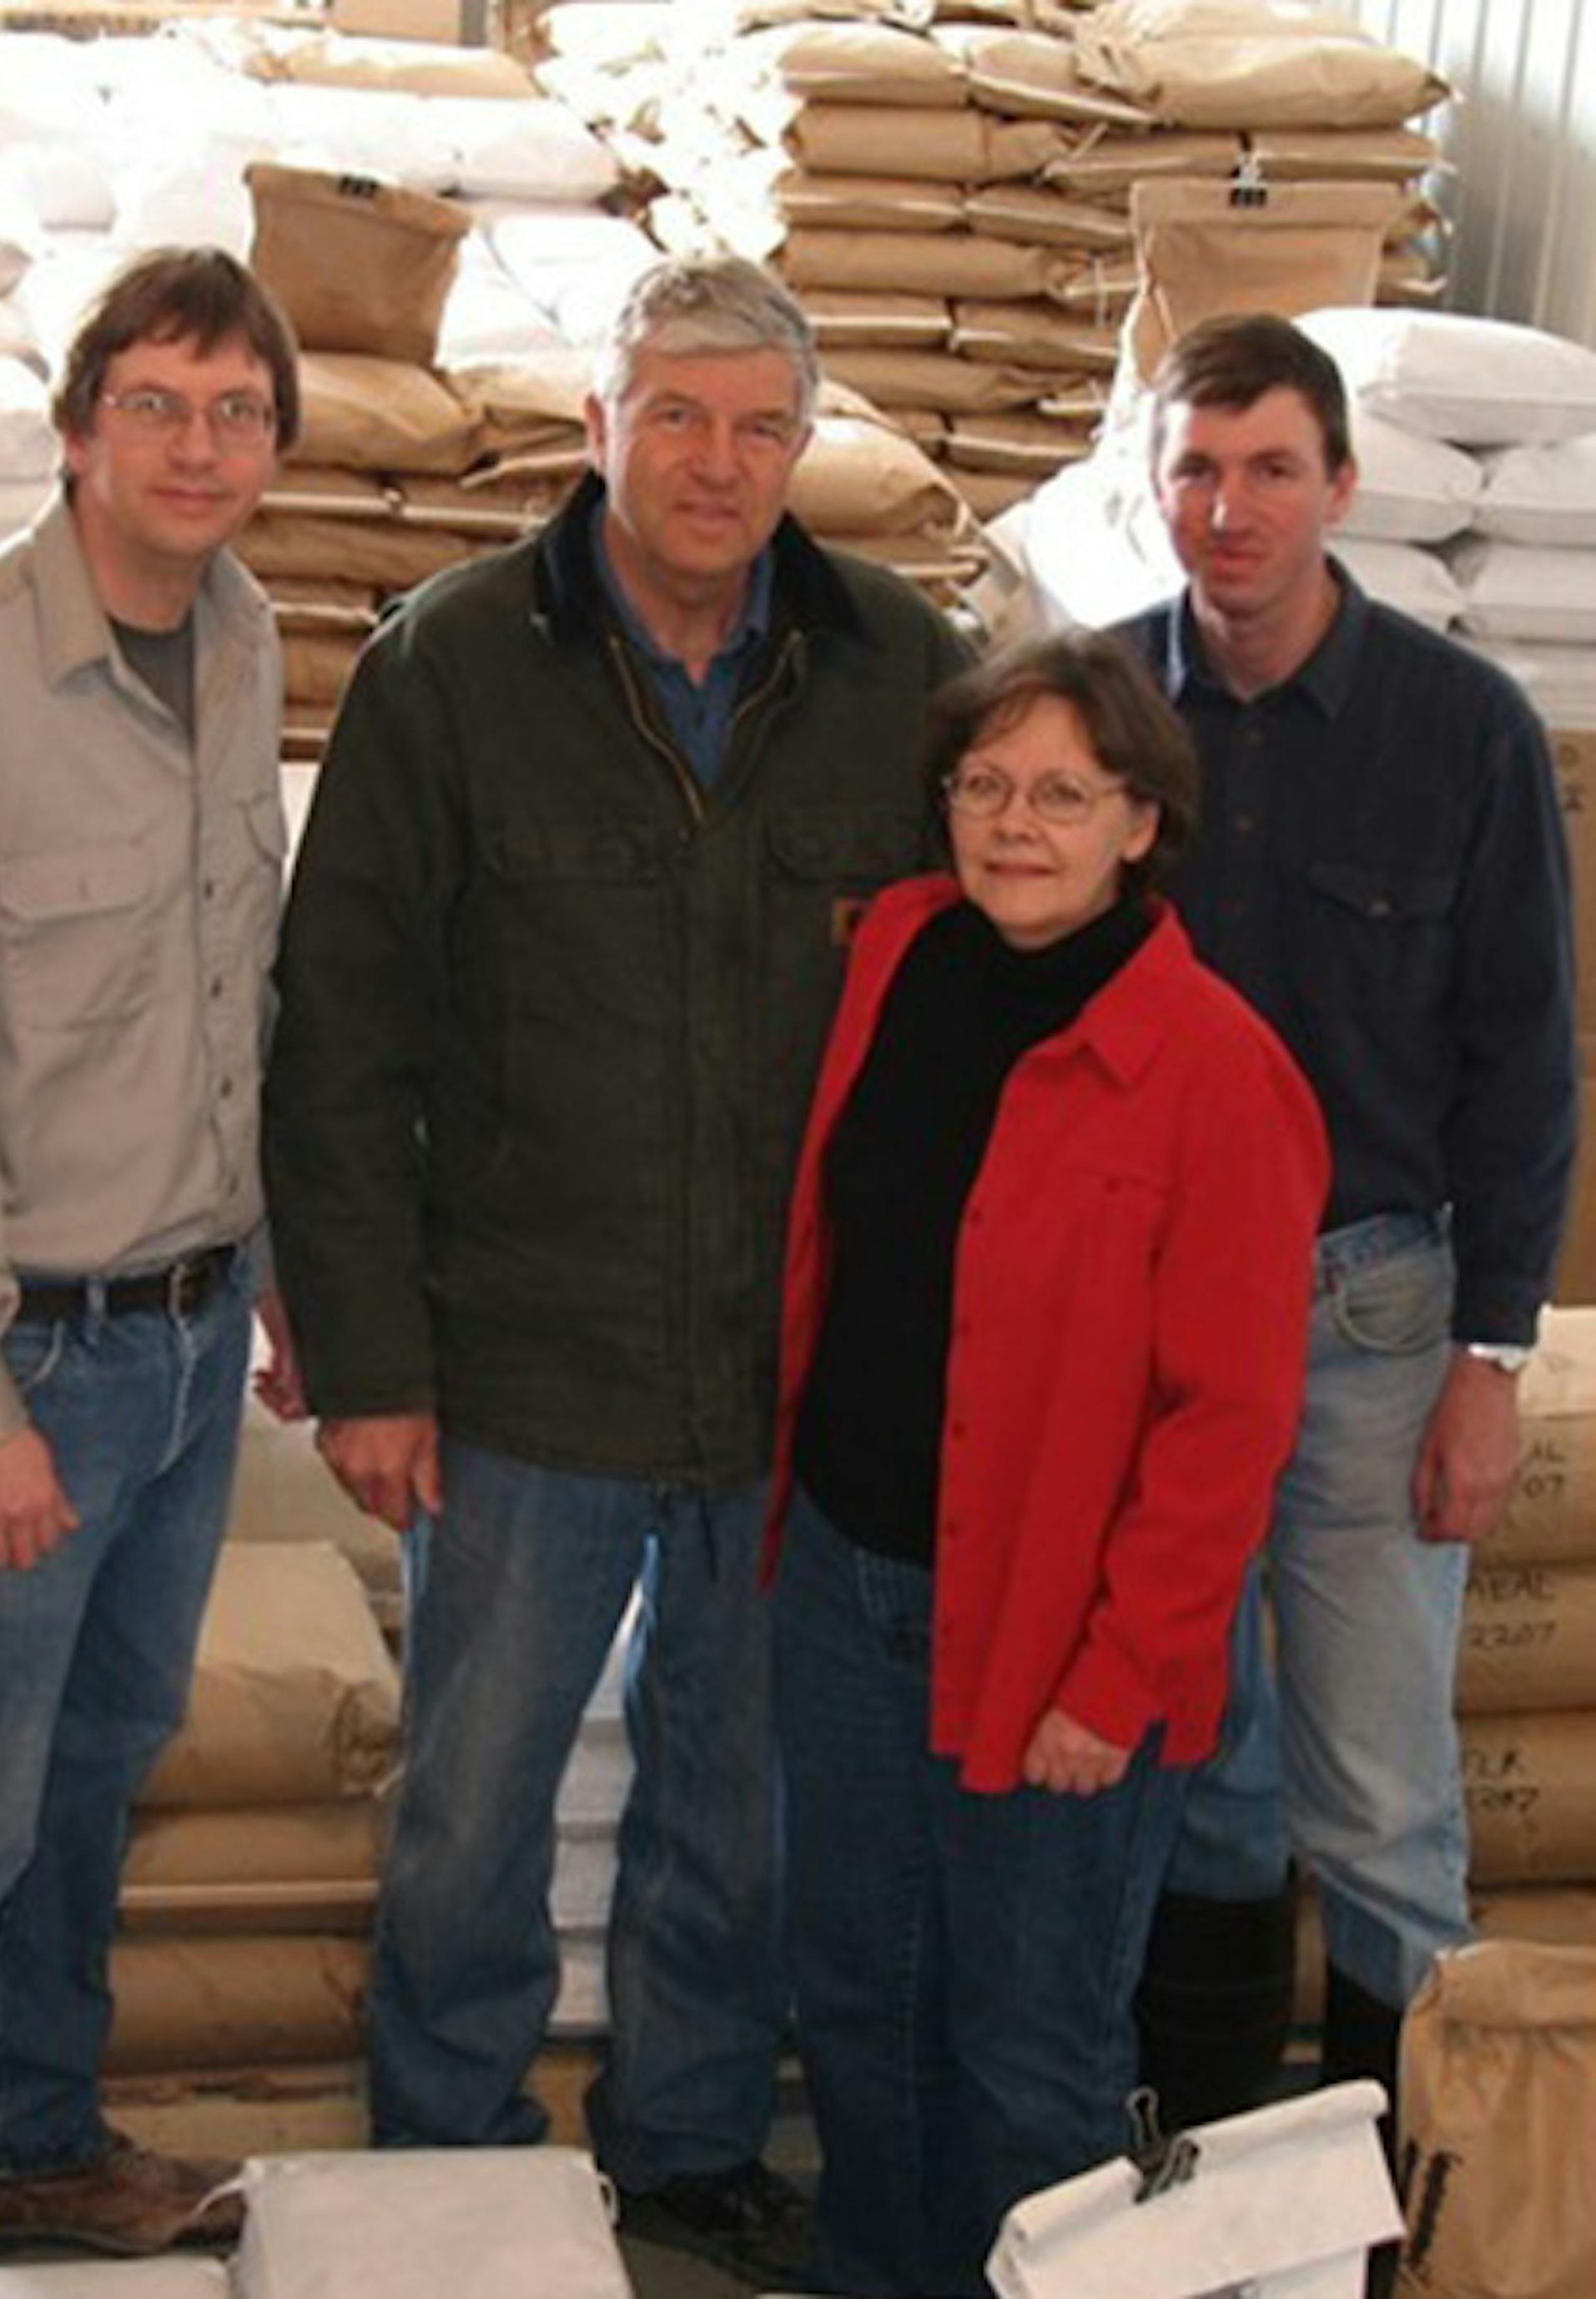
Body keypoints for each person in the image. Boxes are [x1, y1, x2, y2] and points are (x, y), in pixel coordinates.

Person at [263, 254, 965, 2287]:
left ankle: (686, 2148)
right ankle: (446, 2155)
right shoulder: (451, 667)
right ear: (601, 428)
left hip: (784, 1375)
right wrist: (371, 1361)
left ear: (802, 446)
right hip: (522, 1367)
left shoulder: (900, 667)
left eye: (758, 427)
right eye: (676, 417)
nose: (716, 464)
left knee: (736, 1803)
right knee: (474, 1802)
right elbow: (342, 1038)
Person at [0, 248, 299, 2266]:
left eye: (239, 410)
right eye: (157, 403)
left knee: (97, 1782)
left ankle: (35, 2139)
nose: (199, 445)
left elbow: (242, 996)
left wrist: (280, 1276)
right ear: (78, 427)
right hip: (33, 1364)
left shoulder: (246, 636)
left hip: (188, 1335)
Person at [765, 630, 1328, 2297]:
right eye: (986, 784)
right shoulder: (902, 953)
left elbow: (1228, 1426)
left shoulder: (1216, 1070)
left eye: (1065, 795)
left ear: (1142, 823)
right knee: (861, 2000)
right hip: (850, 1579)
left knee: (1033, 2047)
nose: (1016, 824)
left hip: (1058, 1635)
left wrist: (1120, 1674)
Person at [1122, 314, 1577, 2155]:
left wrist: (1489, 1359)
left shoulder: (1462, 730)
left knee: (1380, 1797)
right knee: (1199, 1771)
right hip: (1147, 1323)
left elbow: (1527, 1063)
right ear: (1156, 487)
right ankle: (1209, 2184)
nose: (1231, 510)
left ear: (1342, 485)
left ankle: (1406, 2222)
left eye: (1271, 469)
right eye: (1197, 469)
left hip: (1367, 1313)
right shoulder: (1094, 712)